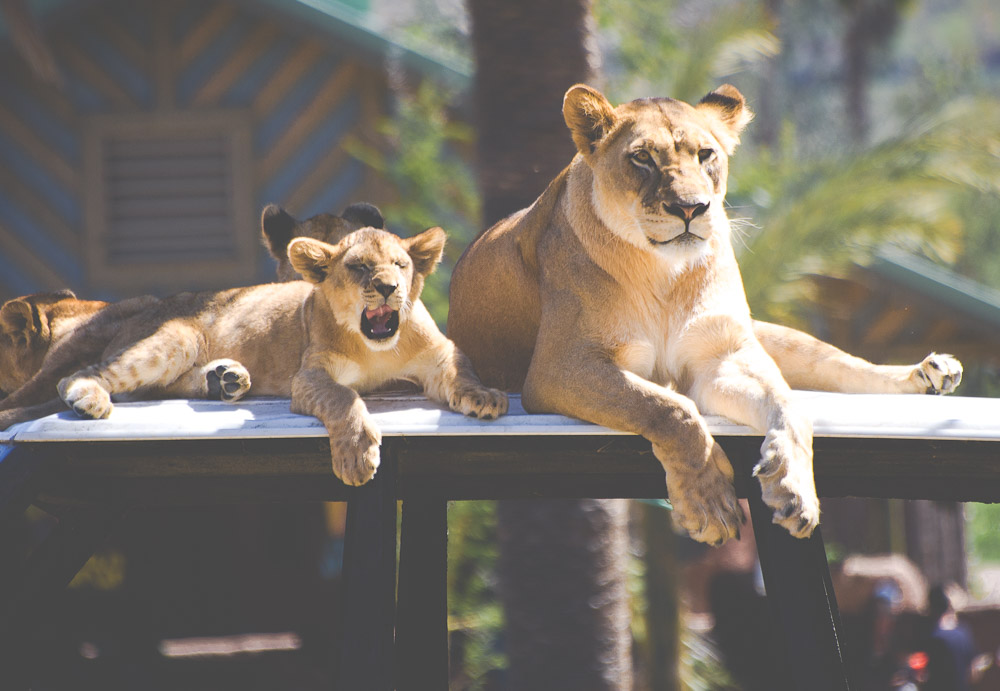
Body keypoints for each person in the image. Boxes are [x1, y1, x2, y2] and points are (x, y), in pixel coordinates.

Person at [923, 585, 988, 691]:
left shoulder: (932, 637)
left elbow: (925, 674)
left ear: (930, 608)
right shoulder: (963, 632)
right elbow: (974, 673)